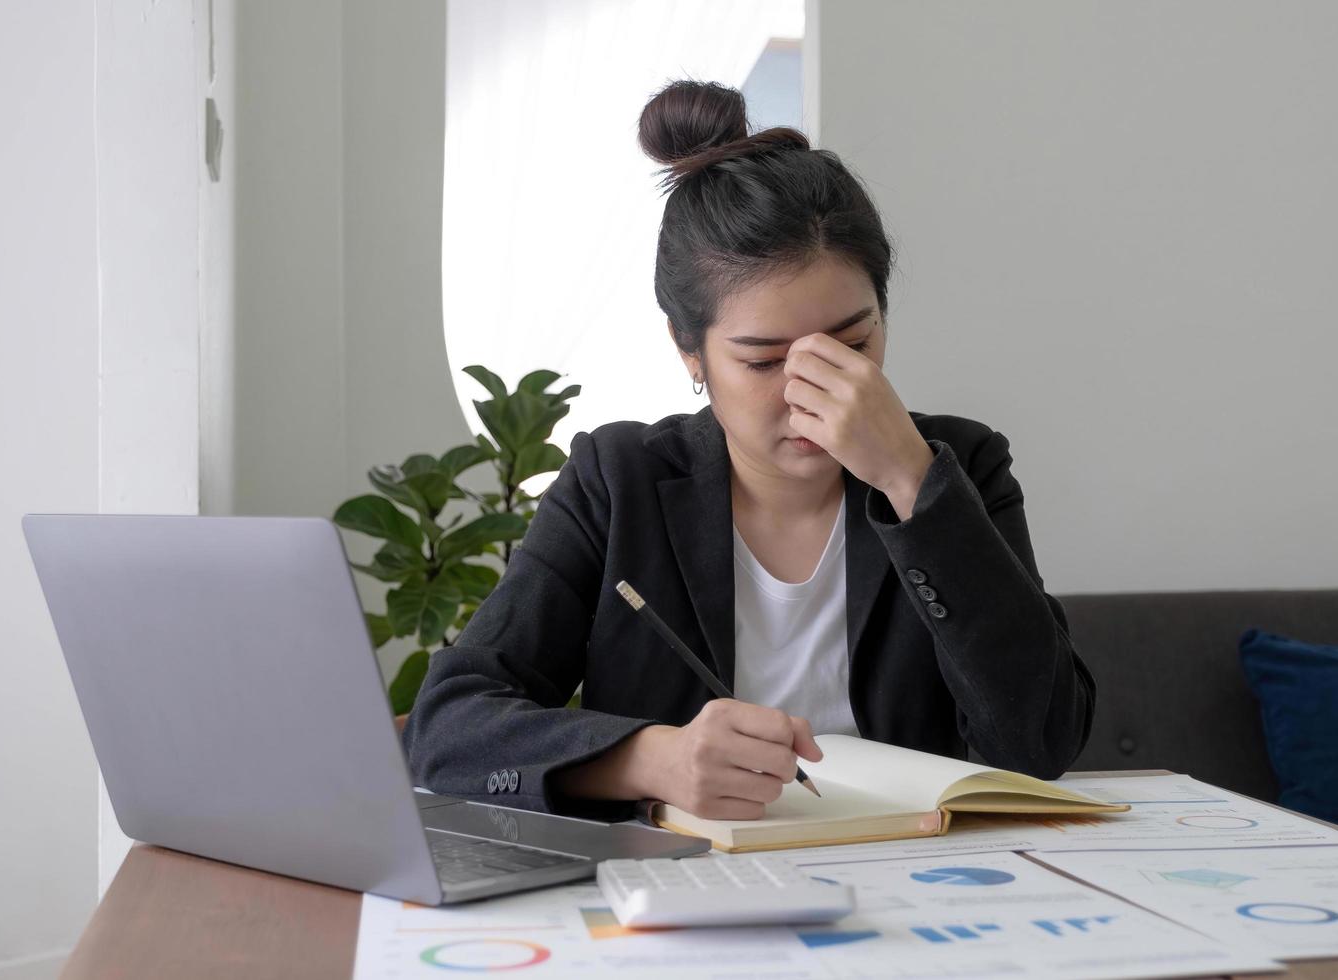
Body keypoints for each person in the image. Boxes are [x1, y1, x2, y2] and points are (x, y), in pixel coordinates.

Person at [404, 79, 1095, 822]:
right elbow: (448, 729)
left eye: (853, 345)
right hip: (690, 892)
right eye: (764, 362)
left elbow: (1040, 742)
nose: (812, 393)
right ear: (689, 350)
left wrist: (909, 480)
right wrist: (651, 759)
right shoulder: (619, 482)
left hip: (922, 882)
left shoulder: (959, 467)